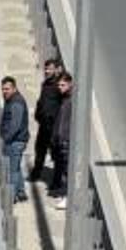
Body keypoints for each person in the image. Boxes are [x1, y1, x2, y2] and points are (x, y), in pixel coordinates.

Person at [29, 57, 64, 182]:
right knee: (39, 149)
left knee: (56, 154)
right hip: (43, 125)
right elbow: (41, 101)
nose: (47, 71)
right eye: (46, 69)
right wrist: (38, 114)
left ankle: (57, 180)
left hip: (53, 126)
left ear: (56, 70)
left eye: (50, 69)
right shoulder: (45, 84)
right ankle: (36, 173)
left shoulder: (59, 85)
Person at [0, 76, 30, 203]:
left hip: (15, 141)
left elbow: (15, 126)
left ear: (14, 88)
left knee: (12, 170)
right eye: (3, 89)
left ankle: (11, 197)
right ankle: (20, 191)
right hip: (18, 140)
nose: (4, 91)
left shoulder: (16, 103)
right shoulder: (11, 99)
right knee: (16, 167)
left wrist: (5, 139)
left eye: (7, 89)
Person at [50, 72, 74, 209]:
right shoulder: (64, 98)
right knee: (63, 169)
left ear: (70, 84)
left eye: (63, 85)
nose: (60, 87)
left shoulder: (71, 100)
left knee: (67, 171)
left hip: (66, 141)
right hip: (61, 140)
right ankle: (66, 193)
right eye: (59, 85)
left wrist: (64, 138)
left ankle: (68, 198)